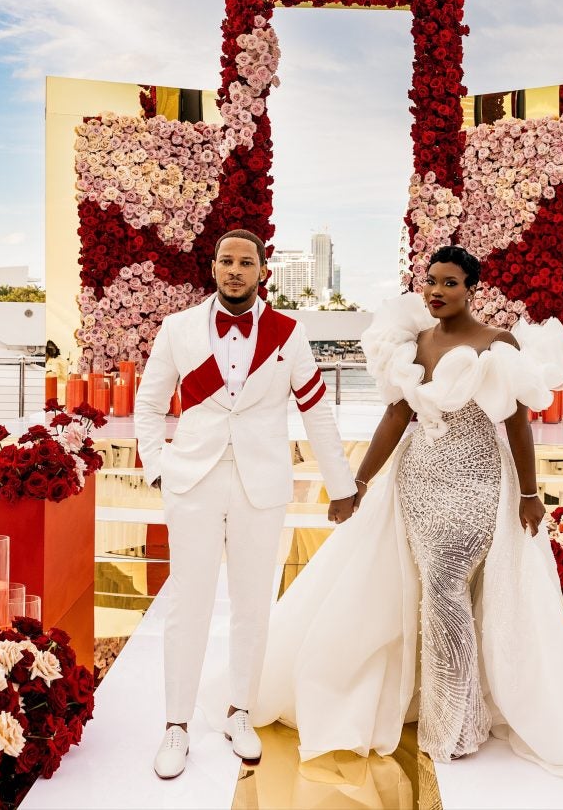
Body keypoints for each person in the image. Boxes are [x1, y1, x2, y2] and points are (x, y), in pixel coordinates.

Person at [248, 245, 563, 780]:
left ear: (471, 288)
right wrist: (357, 484)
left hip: (478, 483)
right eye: (431, 282)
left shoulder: (497, 344)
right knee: (432, 591)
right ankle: (448, 706)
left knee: (444, 588)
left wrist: (530, 494)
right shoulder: (414, 344)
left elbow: (516, 426)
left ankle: (458, 720)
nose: (436, 291)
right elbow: (397, 416)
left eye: (449, 282)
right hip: (419, 480)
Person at [134, 229, 358, 780]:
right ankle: (176, 725)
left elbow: (317, 413)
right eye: (226, 261)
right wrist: (159, 465)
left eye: (246, 262)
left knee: (254, 605)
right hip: (193, 481)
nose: (235, 270)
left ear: (263, 271)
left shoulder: (290, 333)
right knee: (188, 604)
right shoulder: (178, 329)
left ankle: (240, 712)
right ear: (213, 268)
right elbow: (149, 402)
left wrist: (343, 485)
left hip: (262, 485)